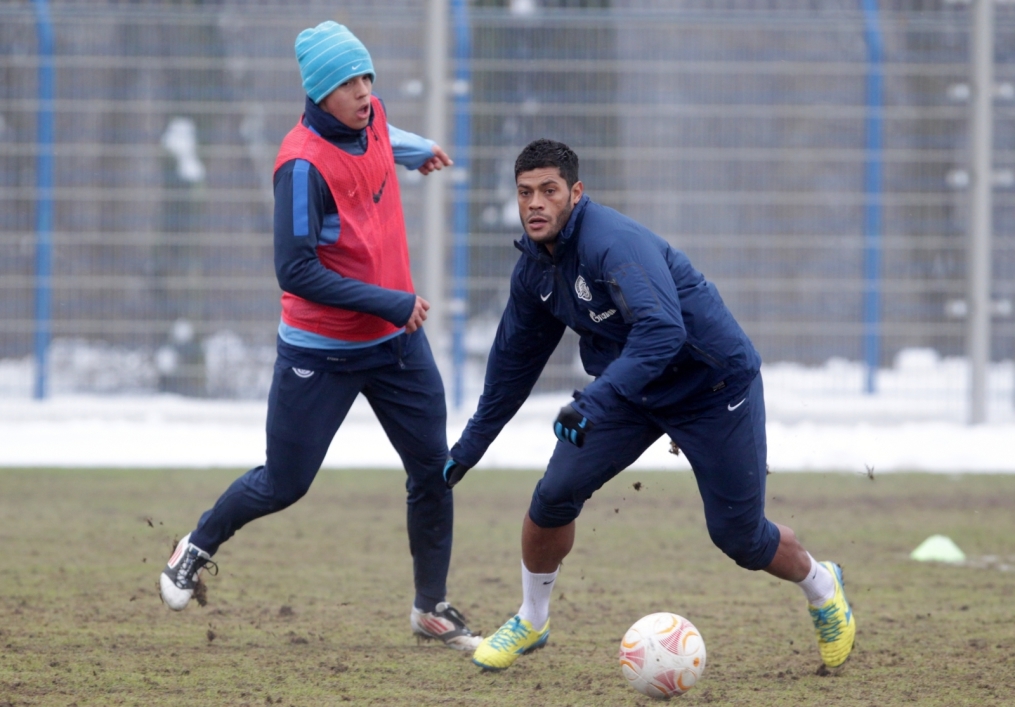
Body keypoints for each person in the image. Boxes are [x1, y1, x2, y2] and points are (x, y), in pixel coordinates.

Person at [443, 139, 855, 670]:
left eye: (549, 191)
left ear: (576, 192)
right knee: (553, 496)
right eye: (525, 193)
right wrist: (469, 446)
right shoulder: (534, 272)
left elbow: (662, 331)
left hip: (712, 388)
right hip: (632, 391)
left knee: (740, 537)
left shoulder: (612, 243)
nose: (536, 204)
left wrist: (593, 398)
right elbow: (510, 368)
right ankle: (532, 618)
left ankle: (824, 588)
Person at [159, 21, 481, 652]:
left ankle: (430, 606)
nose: (363, 91)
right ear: (317, 94)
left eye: (366, 77)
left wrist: (416, 150)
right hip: (321, 353)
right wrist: (391, 302)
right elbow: (297, 270)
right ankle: (194, 546)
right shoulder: (300, 166)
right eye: (346, 82)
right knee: (285, 482)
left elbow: (383, 136)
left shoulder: (373, 117)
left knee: (433, 471)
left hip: (395, 345)